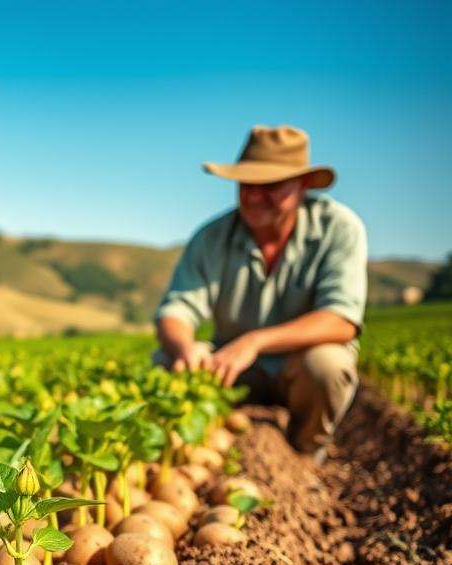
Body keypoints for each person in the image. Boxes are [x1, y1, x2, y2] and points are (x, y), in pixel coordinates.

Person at [154, 125, 367, 462]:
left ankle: (305, 456)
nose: (253, 196)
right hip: (232, 370)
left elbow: (341, 320)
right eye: (246, 185)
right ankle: (191, 454)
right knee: (167, 363)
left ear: (303, 185)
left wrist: (254, 342)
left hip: (298, 368)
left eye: (270, 186)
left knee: (327, 364)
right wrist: (184, 349)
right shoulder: (212, 237)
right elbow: (176, 310)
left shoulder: (339, 228)